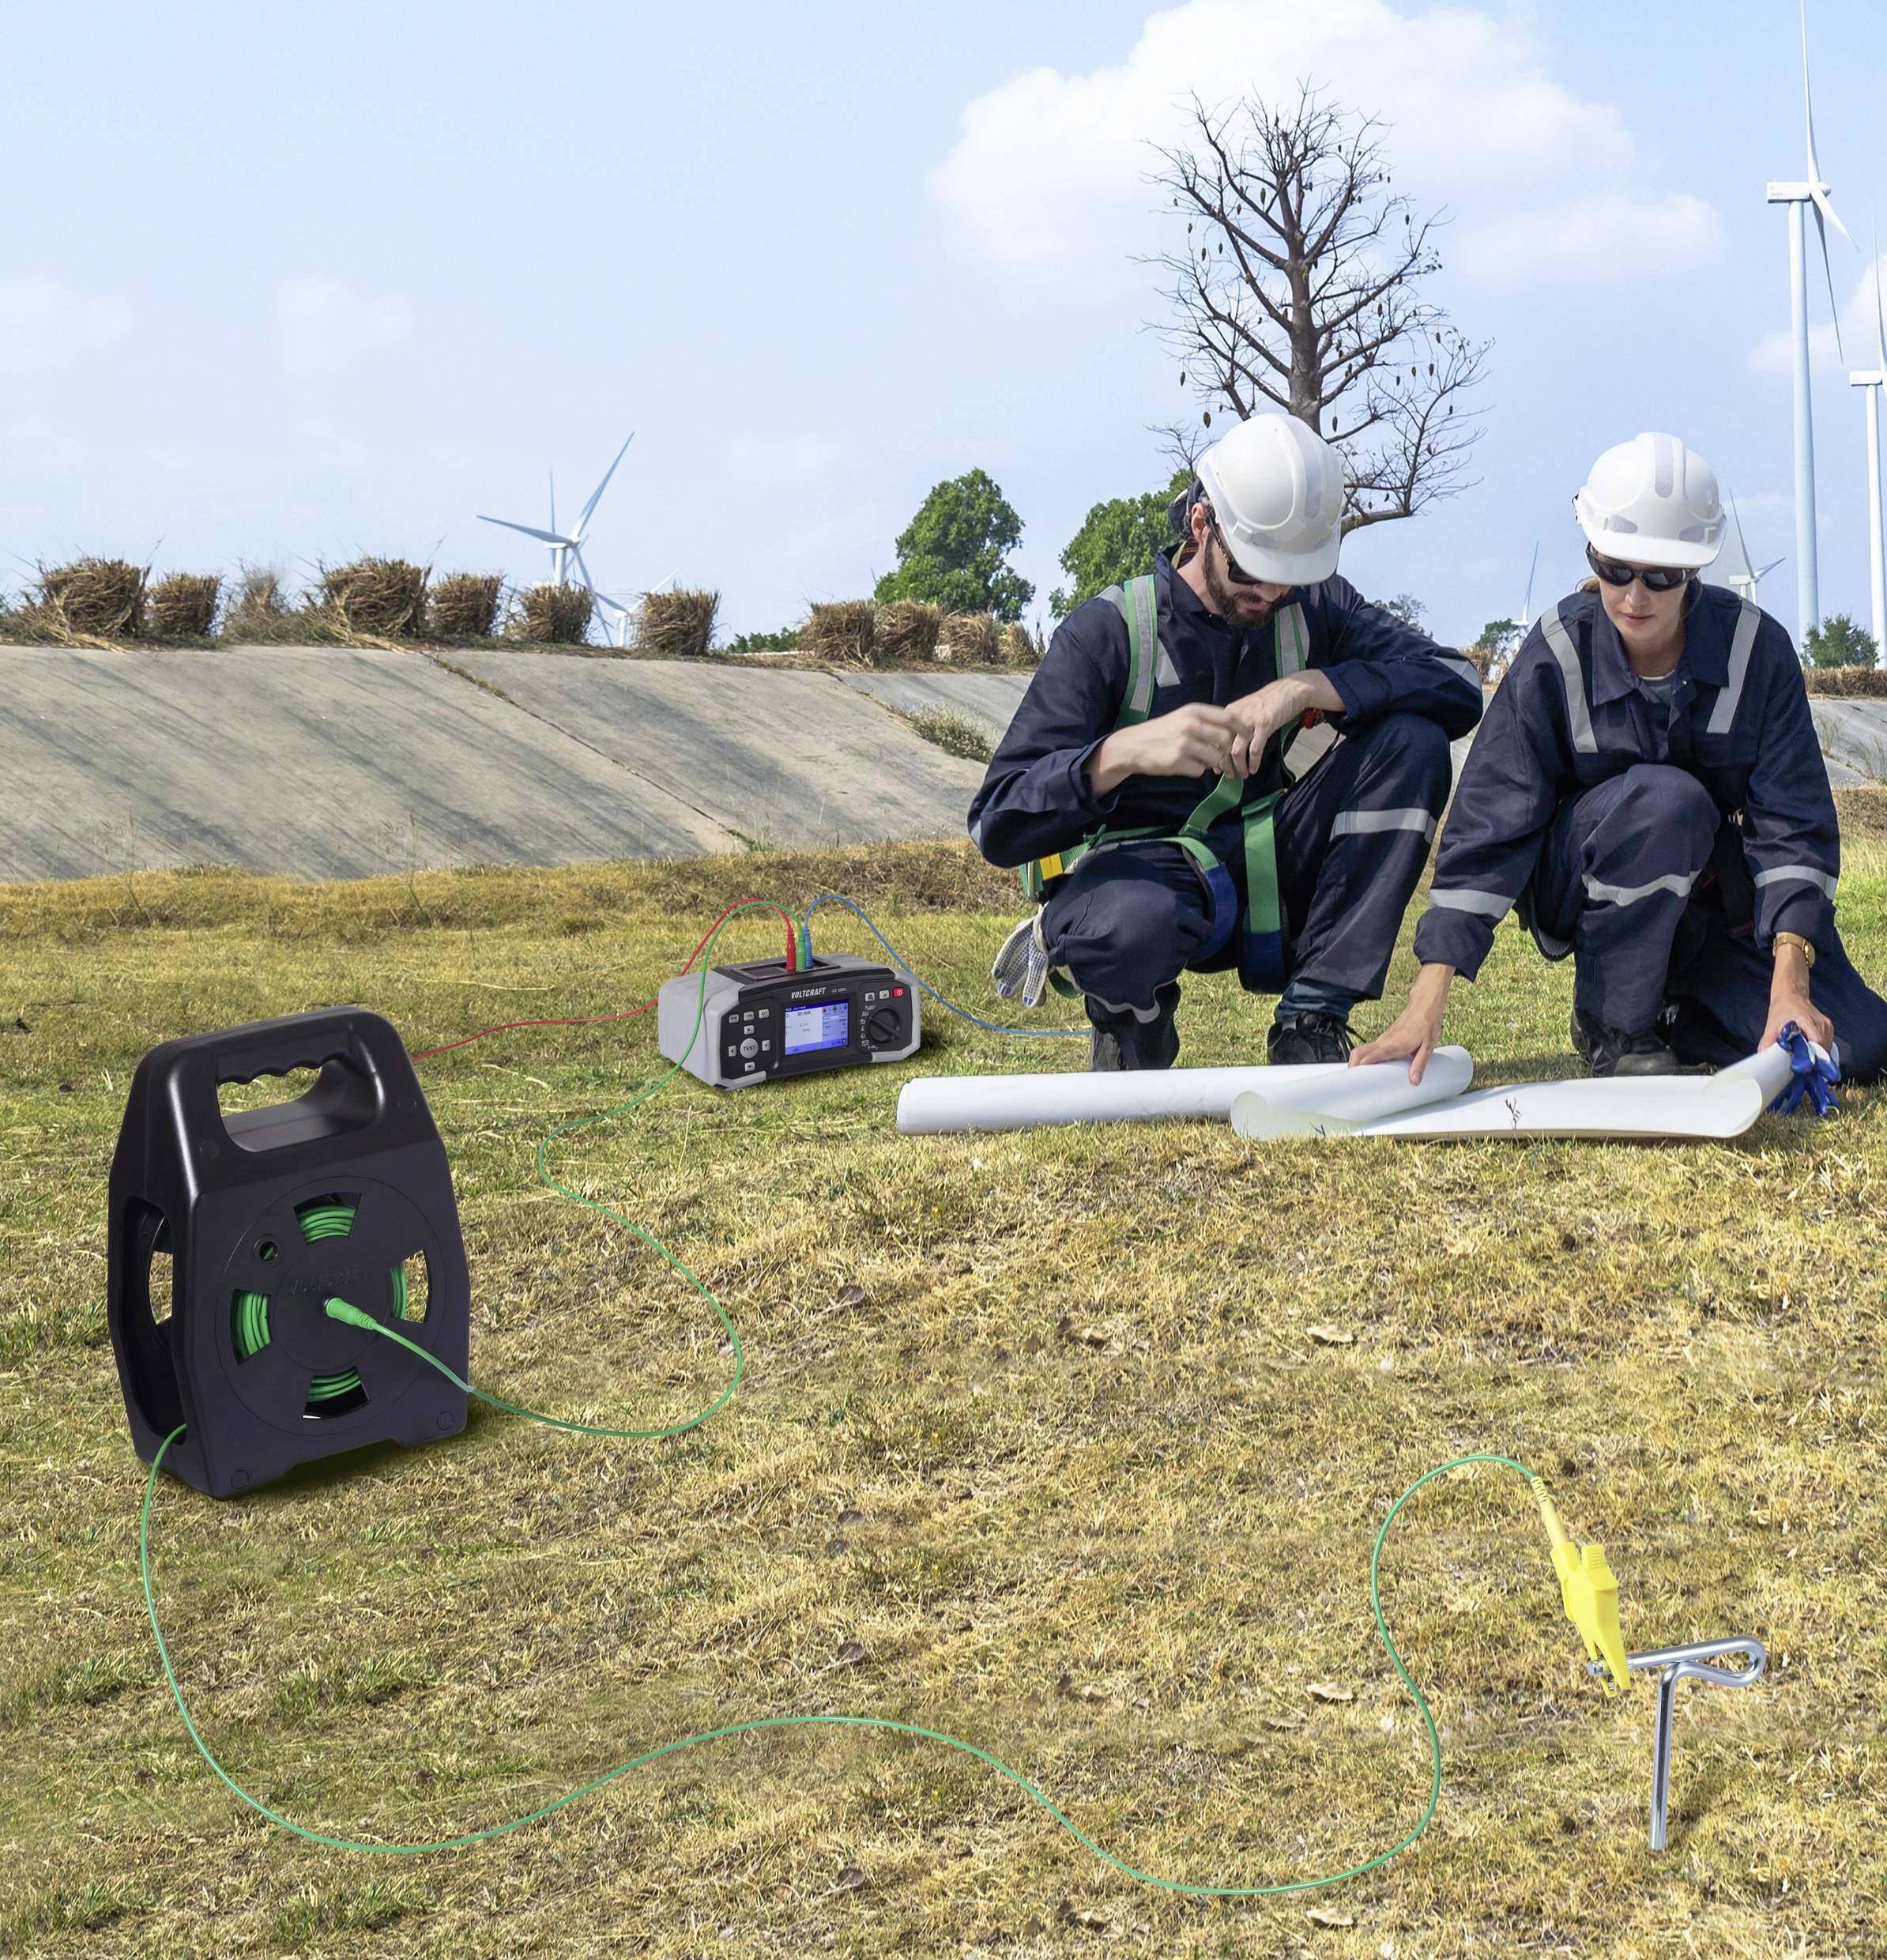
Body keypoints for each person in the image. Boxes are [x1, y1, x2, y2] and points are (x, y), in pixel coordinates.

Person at [1356, 431, 1887, 1084]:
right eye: (1615, 569)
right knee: (1668, 801)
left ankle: (1678, 1014)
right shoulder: (1557, 654)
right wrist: (1425, 1000)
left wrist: (1791, 989)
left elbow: (1794, 827)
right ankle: (1614, 1023)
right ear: (1594, 554)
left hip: (1708, 900)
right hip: (1581, 880)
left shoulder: (1758, 654)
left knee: (1858, 1048)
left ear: (1694, 570)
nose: (1634, 596)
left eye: (1659, 576)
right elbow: (1489, 826)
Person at [967, 413, 1484, 1069]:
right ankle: (1135, 1017)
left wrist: (1309, 687)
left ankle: (1313, 1018)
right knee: (1124, 924)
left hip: (1268, 865)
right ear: (1201, 525)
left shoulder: (1313, 608)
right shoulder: (1110, 631)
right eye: (1250, 571)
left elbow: (1456, 683)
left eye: (1286, 575)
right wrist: (1119, 756)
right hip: (1138, 884)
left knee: (1413, 741)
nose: (1267, 592)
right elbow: (998, 822)